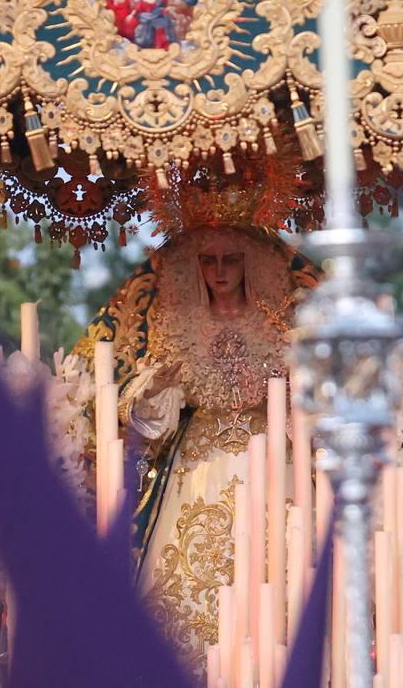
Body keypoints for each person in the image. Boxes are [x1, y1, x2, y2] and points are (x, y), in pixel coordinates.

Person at [76, 181, 318, 670]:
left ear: (251, 262)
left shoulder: (281, 324)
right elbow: (150, 422)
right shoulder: (175, 324)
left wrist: (298, 386)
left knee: (280, 580)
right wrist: (151, 391)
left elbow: (310, 410)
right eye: (209, 260)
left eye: (231, 259)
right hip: (197, 466)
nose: (220, 271)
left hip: (272, 461)